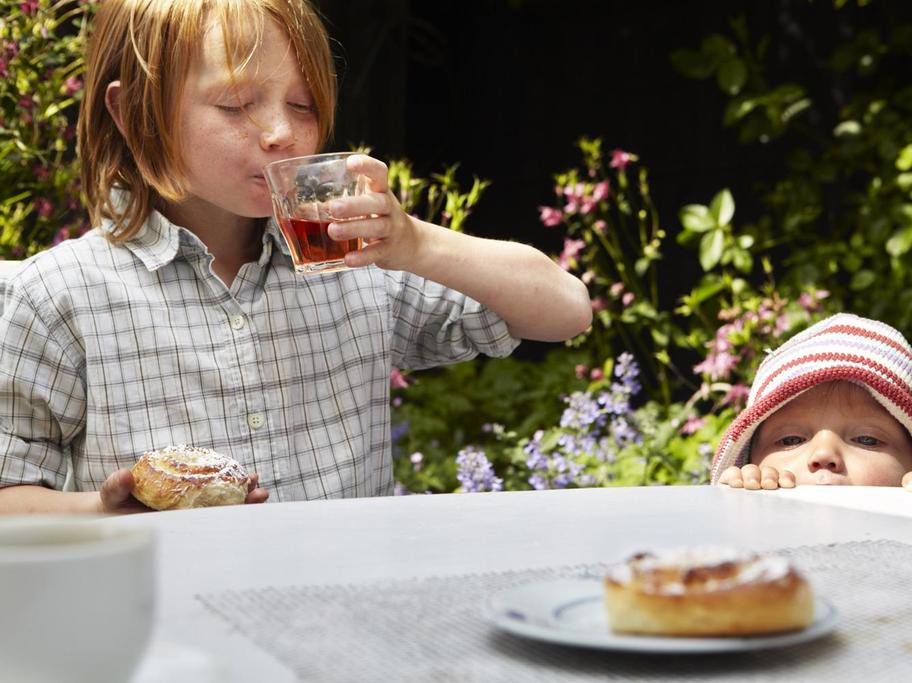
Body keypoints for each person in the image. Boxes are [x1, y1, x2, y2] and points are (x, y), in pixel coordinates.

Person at [0, 0, 592, 514]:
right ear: (132, 114)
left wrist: (415, 242)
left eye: (304, 104)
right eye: (236, 104)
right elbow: (11, 497)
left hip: (344, 619)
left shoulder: (354, 260)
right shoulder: (61, 294)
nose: (281, 131)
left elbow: (565, 310)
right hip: (168, 625)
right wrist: (107, 511)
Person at [711, 313, 912, 495]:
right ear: (750, 460)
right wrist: (735, 503)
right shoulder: (751, 520)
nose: (823, 455)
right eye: (790, 440)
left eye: (867, 440)